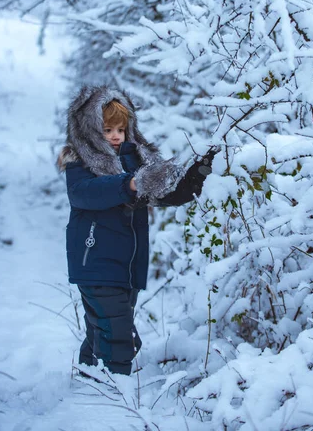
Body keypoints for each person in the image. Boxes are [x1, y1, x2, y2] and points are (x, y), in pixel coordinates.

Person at [57, 86, 216, 376]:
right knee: (119, 336)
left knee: (103, 330)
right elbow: (84, 194)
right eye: (107, 129)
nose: (116, 136)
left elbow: (163, 193)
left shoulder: (135, 159)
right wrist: (130, 184)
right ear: (90, 130)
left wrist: (196, 175)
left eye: (121, 128)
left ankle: (88, 381)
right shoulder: (79, 160)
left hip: (127, 267)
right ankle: (114, 392)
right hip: (95, 263)